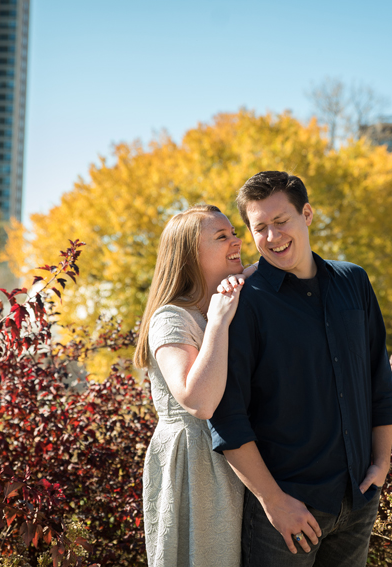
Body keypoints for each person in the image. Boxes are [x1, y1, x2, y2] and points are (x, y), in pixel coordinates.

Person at [208, 171, 392, 566]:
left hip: (358, 501)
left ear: (307, 214)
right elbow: (227, 417)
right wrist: (273, 501)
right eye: (260, 228)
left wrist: (380, 464)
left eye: (281, 222)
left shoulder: (354, 282)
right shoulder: (244, 303)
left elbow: (379, 381)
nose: (273, 237)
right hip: (286, 514)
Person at [134, 204, 252, 567]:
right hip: (194, 464)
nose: (237, 240)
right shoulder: (171, 318)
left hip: (240, 456)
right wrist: (217, 321)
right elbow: (199, 402)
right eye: (222, 237)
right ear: (189, 256)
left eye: (234, 232)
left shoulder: (232, 297)